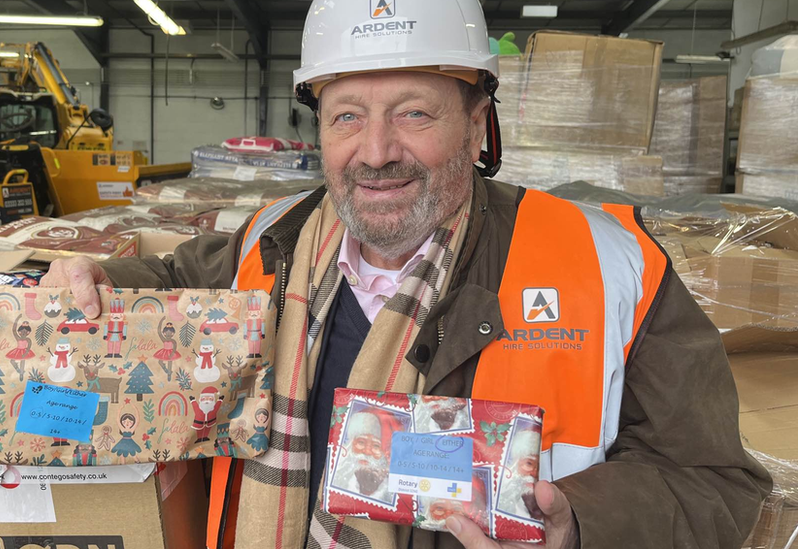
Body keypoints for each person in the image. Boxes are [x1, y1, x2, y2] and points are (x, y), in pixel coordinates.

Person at [40, 0, 771, 547]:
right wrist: (89, 275)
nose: (376, 150)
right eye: (347, 116)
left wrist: (580, 518)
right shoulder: (269, 244)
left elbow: (717, 483)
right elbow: (163, 282)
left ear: (478, 118)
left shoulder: (608, 265)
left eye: (415, 112)